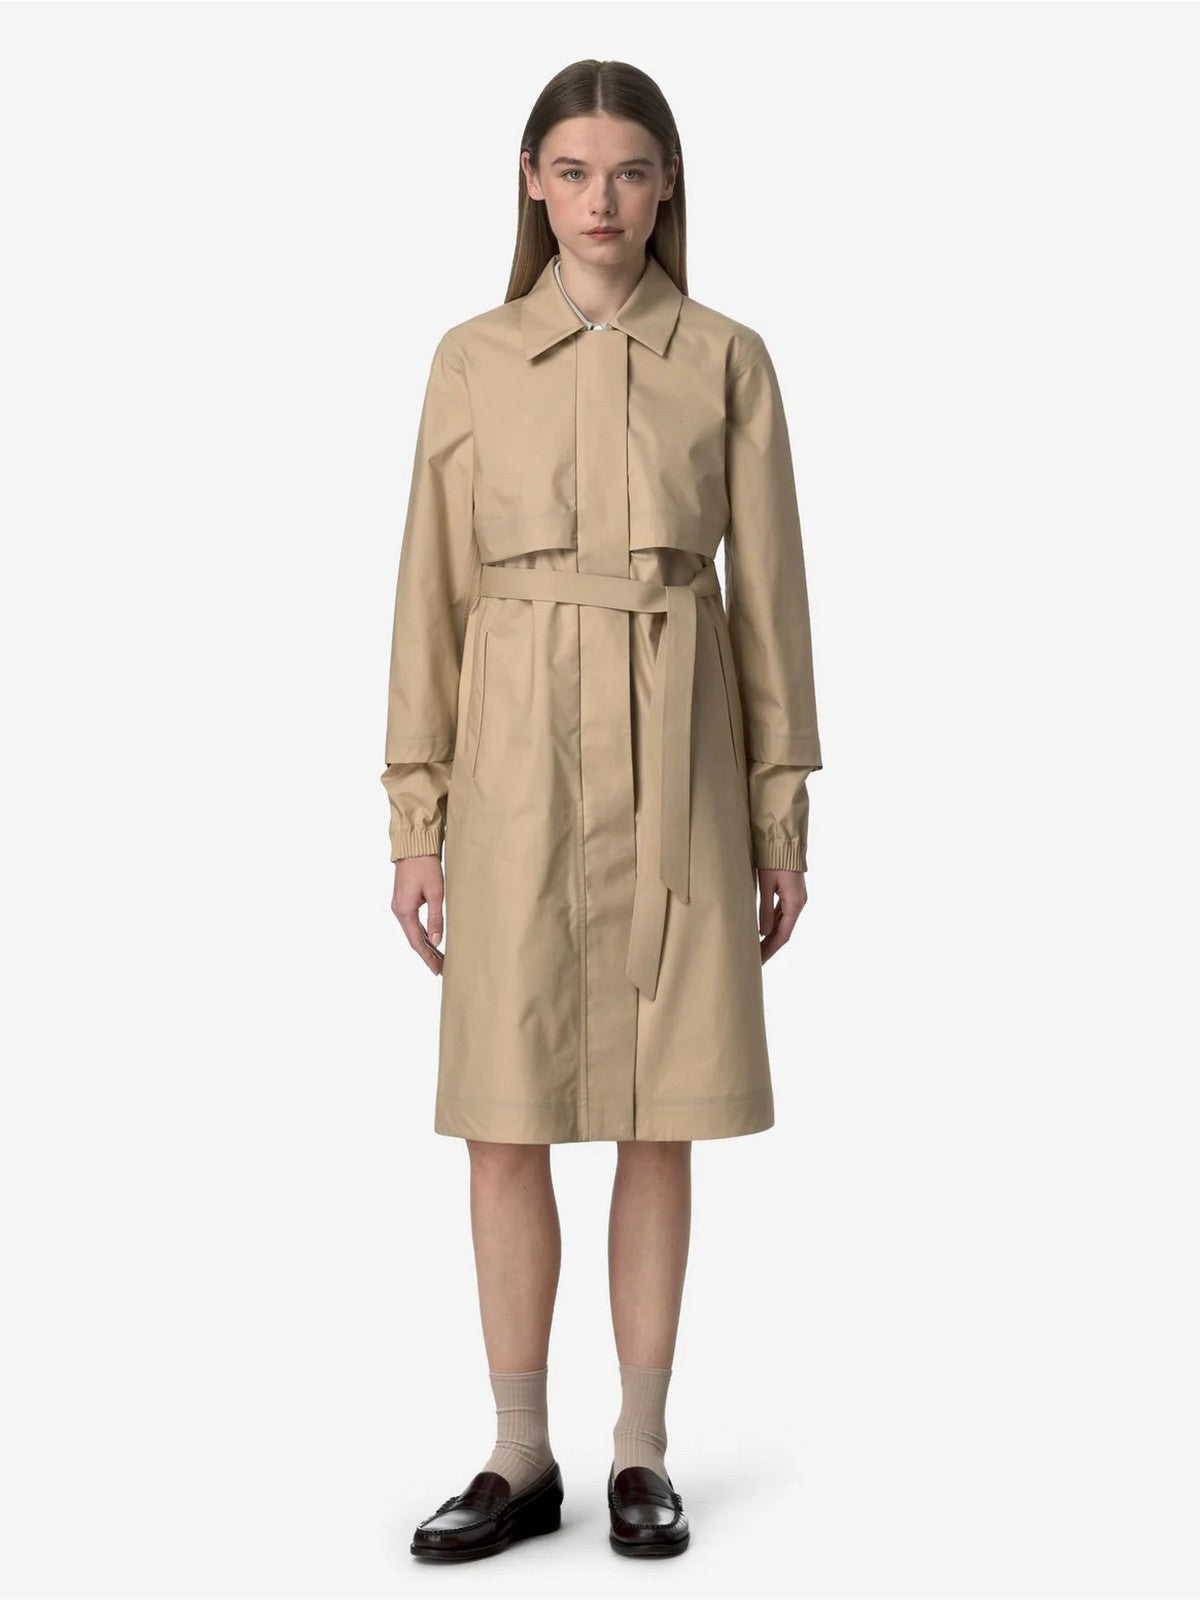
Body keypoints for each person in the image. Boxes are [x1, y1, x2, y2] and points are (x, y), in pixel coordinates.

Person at [382, 58, 823, 1562]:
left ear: (667, 185)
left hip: (678, 753)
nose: (601, 201)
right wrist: (417, 818)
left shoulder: (727, 359)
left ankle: (641, 1450)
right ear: (531, 183)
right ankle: (520, 1454)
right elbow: (431, 592)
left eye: (630, 171)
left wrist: (779, 823)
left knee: (658, 1113)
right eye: (572, 171)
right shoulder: (471, 359)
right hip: (514, 764)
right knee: (502, 1122)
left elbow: (770, 604)